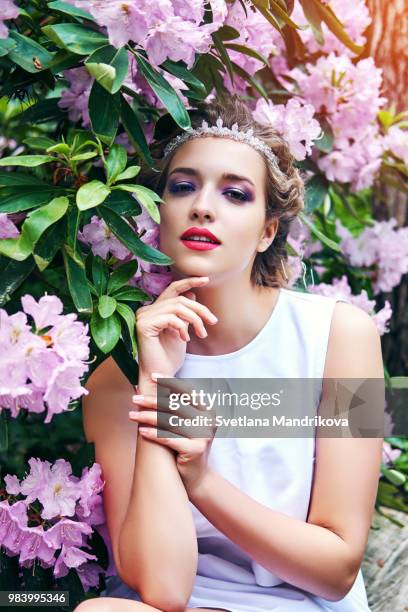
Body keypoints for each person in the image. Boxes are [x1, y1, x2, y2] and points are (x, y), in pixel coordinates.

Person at [75, 95, 384, 612]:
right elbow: (162, 590)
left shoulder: (345, 336)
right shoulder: (115, 376)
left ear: (267, 232)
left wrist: (202, 480)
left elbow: (337, 568)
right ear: (160, 215)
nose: (202, 206)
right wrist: (157, 382)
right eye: (183, 187)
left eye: (235, 194)